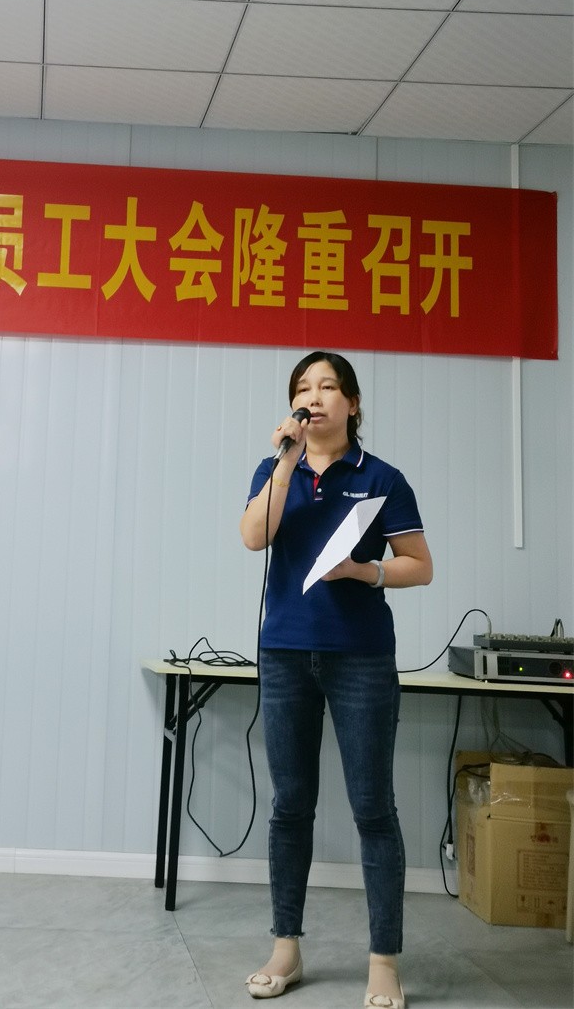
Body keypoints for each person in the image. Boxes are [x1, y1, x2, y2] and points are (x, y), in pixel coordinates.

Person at [239, 351, 433, 1008]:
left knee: (373, 808)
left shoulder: (382, 477)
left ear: (352, 403)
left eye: (328, 386)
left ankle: (384, 962)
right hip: (284, 655)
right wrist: (286, 460)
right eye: (303, 387)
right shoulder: (275, 469)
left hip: (361, 658)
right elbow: (253, 537)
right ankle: (285, 949)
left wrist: (363, 571)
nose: (314, 397)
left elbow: (419, 565)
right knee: (290, 806)